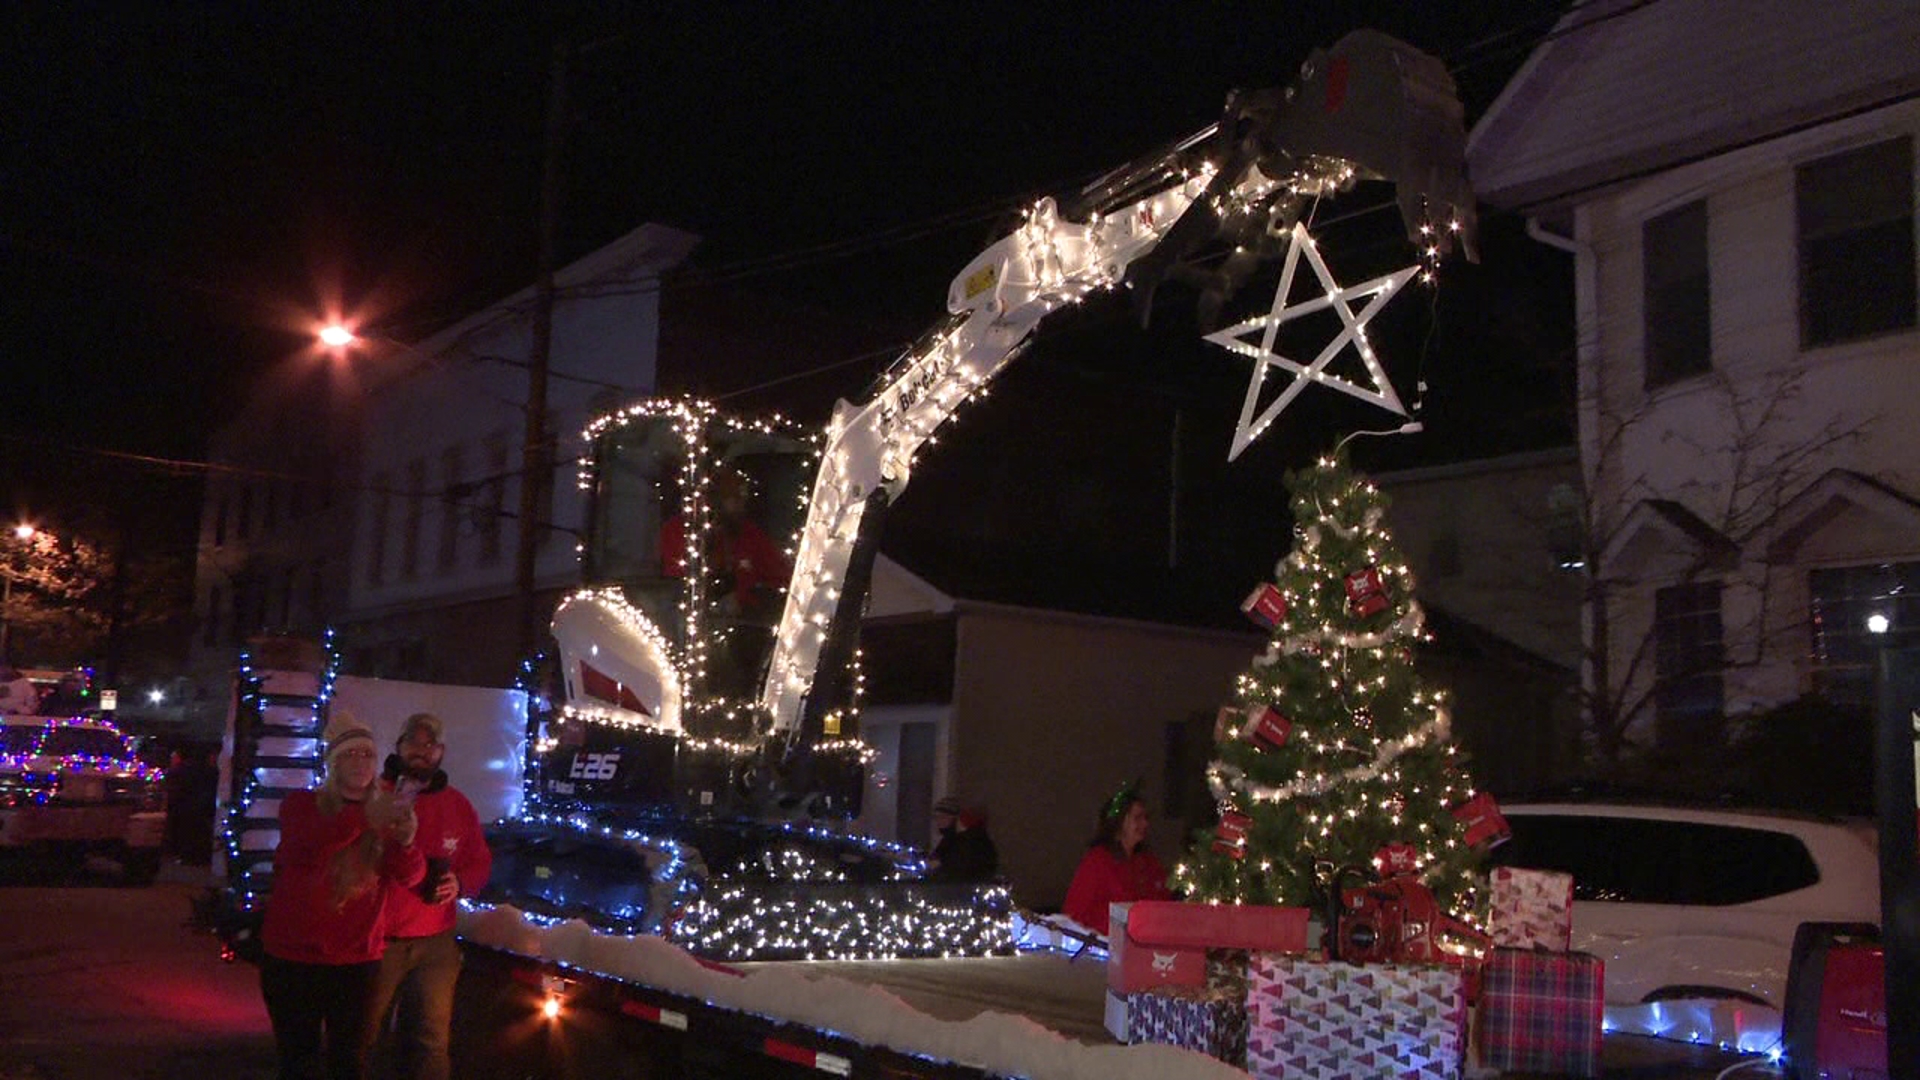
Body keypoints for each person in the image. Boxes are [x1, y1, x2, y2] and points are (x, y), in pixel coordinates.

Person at [260, 711, 423, 1080]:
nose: (360, 762)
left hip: (356, 962)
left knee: (349, 1063)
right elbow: (313, 848)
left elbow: (410, 876)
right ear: (333, 763)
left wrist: (408, 841)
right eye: (350, 754)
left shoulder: (383, 814)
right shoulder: (302, 805)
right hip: (294, 959)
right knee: (298, 1061)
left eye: (367, 755)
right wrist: (368, 817)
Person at [362, 712, 492, 1080]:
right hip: (380, 940)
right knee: (365, 1036)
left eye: (430, 744)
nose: (421, 751)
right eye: (414, 743)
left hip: (436, 944)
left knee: (430, 1042)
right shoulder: (376, 797)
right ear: (399, 746)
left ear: (441, 752)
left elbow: (479, 861)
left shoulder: (458, 805)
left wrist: (461, 883)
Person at [1061, 780, 1170, 937]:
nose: (1145, 823)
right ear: (1119, 823)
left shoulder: (1148, 862)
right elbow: (1073, 914)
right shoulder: (1097, 861)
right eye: (1138, 818)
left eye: (1145, 818)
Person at [929, 795, 999, 883]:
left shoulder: (972, 841)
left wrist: (940, 865)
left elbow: (959, 869)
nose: (938, 822)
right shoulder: (949, 840)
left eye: (943, 817)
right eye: (936, 817)